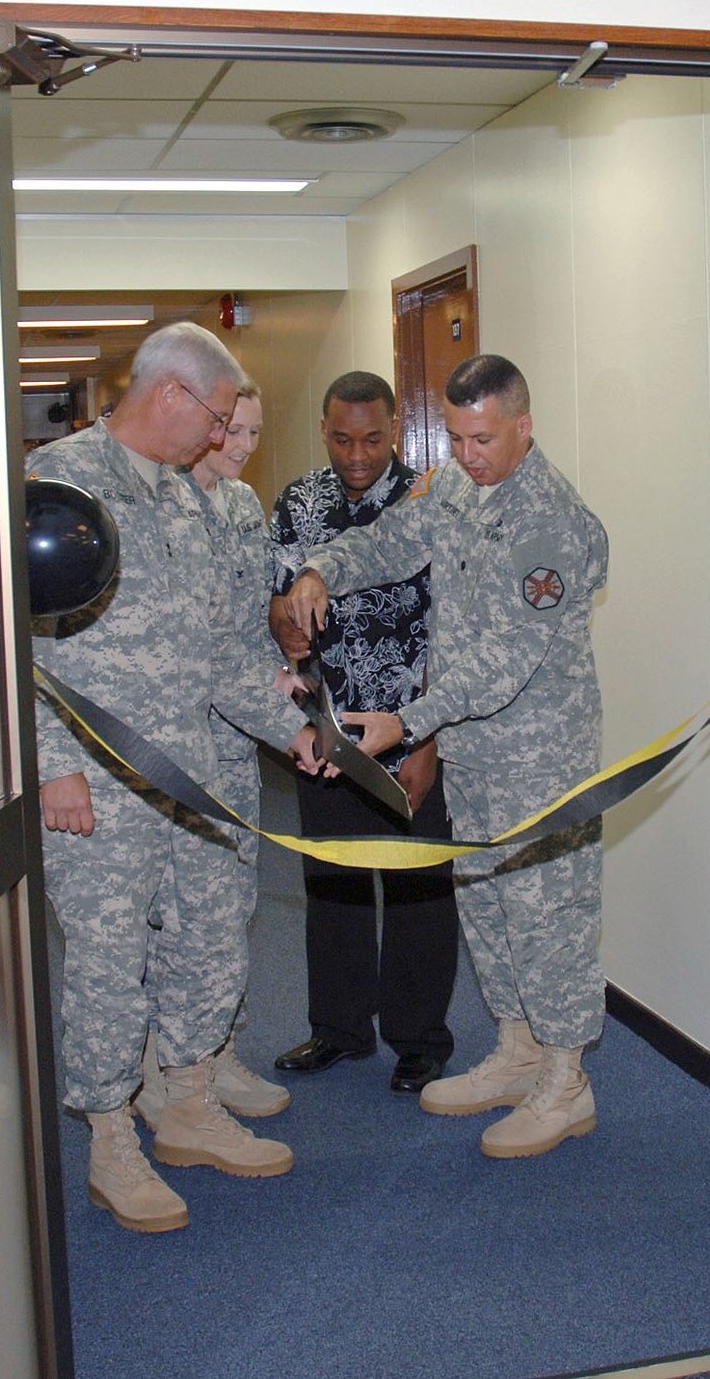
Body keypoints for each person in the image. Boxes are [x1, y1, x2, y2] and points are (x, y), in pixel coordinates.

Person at [29, 323, 323, 1234]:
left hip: (195, 778)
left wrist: (297, 733)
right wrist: (51, 766)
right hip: (99, 785)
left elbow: (220, 659)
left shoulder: (190, 505)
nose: (222, 438)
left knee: (209, 939)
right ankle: (111, 1136)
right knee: (111, 964)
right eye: (217, 417)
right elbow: (9, 647)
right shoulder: (53, 486)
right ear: (172, 396)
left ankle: (187, 1099)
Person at [284, 355, 608, 1157]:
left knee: (546, 912)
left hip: (540, 753)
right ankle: (518, 1049)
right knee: (487, 898)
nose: (467, 454)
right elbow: (394, 540)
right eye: (457, 437)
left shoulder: (548, 523)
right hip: (476, 750)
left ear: (524, 426)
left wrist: (407, 720)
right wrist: (326, 566)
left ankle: (566, 1079)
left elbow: (505, 662)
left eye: (484, 438)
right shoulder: (459, 489)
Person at [269, 371, 459, 1096]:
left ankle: (417, 1037)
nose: (358, 453)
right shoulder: (299, 502)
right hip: (326, 729)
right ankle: (340, 1029)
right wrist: (283, 625)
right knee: (335, 885)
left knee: (417, 890)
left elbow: (452, 629)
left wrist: (430, 737)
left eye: (373, 439)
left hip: (409, 732)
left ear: (396, 433)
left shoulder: (429, 501)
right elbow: (275, 603)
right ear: (324, 430)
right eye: (344, 438)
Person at [135, 377, 293, 1126]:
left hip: (236, 738)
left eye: (256, 434)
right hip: (173, 744)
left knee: (233, 904)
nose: (242, 446)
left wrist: (279, 680)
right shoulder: (158, 504)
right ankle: (168, 1065)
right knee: (177, 914)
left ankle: (216, 1049)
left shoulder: (241, 507)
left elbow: (246, 630)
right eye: (231, 429)